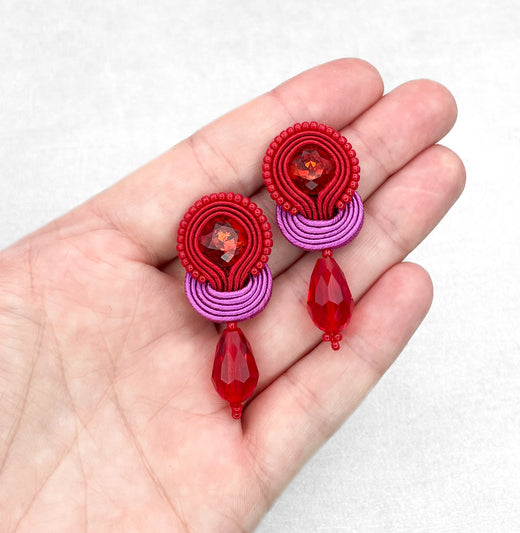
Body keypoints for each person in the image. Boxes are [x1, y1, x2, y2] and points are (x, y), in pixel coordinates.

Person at [0, 58, 465, 532]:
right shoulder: (235, 248)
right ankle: (285, 354)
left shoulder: (313, 203)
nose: (224, 244)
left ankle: (322, 332)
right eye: (220, 242)